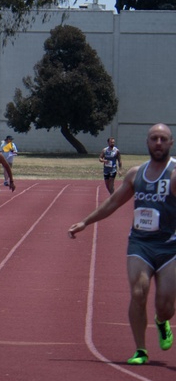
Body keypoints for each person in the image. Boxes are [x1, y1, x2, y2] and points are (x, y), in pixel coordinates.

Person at [68, 123, 176, 365]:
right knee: (138, 292)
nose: (158, 143)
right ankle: (140, 349)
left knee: (166, 305)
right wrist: (85, 222)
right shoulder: (136, 174)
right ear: (147, 143)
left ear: (170, 143)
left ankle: (161, 320)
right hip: (140, 244)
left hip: (170, 247)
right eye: (154, 138)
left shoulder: (174, 174)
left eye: (163, 139)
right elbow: (114, 202)